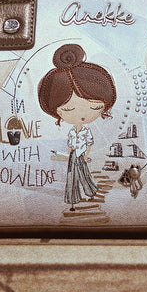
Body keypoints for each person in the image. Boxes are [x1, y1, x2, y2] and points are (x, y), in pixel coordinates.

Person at [37, 44, 117, 209]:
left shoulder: (85, 131)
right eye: (68, 109)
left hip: (81, 155)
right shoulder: (73, 131)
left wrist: (85, 156)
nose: (81, 115)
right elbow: (70, 146)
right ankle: (73, 200)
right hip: (74, 155)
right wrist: (69, 155)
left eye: (95, 107)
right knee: (72, 175)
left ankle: (90, 192)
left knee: (83, 173)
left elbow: (88, 144)